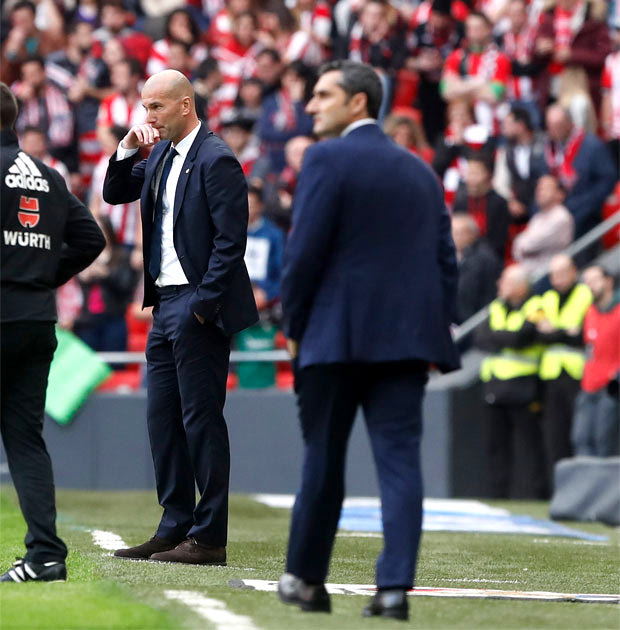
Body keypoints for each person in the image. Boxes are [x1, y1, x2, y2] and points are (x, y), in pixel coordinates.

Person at [277, 61, 460, 621]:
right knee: (401, 464)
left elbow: (303, 255)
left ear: (359, 102)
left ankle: (307, 580)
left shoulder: (325, 158)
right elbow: (445, 262)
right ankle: (394, 590)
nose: (311, 105)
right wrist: (432, 329)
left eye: (323, 95)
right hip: (405, 344)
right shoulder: (421, 172)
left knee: (322, 459)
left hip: (334, 339)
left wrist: (293, 327)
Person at [102, 69, 258, 565]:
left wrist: (202, 307)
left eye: (156, 107)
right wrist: (127, 146)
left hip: (195, 306)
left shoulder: (216, 158)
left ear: (185, 105)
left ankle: (209, 537)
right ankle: (174, 526)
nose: (148, 116)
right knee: (163, 420)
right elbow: (114, 193)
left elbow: (231, 243)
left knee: (201, 420)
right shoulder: (160, 154)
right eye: (145, 106)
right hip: (164, 303)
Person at [0, 82, 105, 582]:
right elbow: (90, 239)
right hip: (37, 321)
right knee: (25, 440)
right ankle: (45, 556)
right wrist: (40, 279)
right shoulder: (47, 174)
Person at [475, 264, 547, 499]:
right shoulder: (496, 307)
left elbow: (521, 337)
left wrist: (497, 338)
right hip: (495, 386)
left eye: (505, 281)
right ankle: (497, 495)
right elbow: (480, 338)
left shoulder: (537, 306)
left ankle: (534, 494)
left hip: (524, 386)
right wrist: (505, 338)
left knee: (529, 444)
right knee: (495, 445)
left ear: (521, 286)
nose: (499, 285)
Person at [536, 254, 592, 485]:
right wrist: (565, 332)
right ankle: (558, 486)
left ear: (574, 272)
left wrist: (554, 331)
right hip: (551, 375)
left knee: (580, 433)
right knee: (554, 434)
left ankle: (582, 485)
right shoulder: (546, 298)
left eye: (561, 273)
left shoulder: (585, 294)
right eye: (553, 275)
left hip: (578, 374)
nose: (556, 279)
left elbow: (583, 334)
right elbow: (538, 333)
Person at [543, 104, 617, 239]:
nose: (554, 130)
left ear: (569, 123)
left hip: (586, 214)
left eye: (558, 125)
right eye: (550, 126)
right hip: (556, 213)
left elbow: (608, 179)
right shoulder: (548, 148)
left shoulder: (592, 145)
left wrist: (582, 204)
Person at [572, 266, 620, 457]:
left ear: (608, 281)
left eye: (594, 280)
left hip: (611, 386)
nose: (589, 285)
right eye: (586, 282)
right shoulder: (590, 312)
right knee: (580, 438)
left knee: (604, 440)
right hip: (589, 386)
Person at [512, 174, 574, 279]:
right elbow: (517, 248)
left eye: (546, 188)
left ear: (559, 194)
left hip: (550, 275)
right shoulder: (537, 217)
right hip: (531, 275)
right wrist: (522, 245)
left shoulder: (561, 216)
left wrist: (523, 245)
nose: (540, 192)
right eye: (539, 189)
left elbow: (528, 245)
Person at [451, 212, 502, 325]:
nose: (455, 237)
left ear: (473, 234)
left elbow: (490, 291)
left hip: (475, 319)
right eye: (453, 232)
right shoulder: (448, 256)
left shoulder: (485, 257)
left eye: (460, 232)